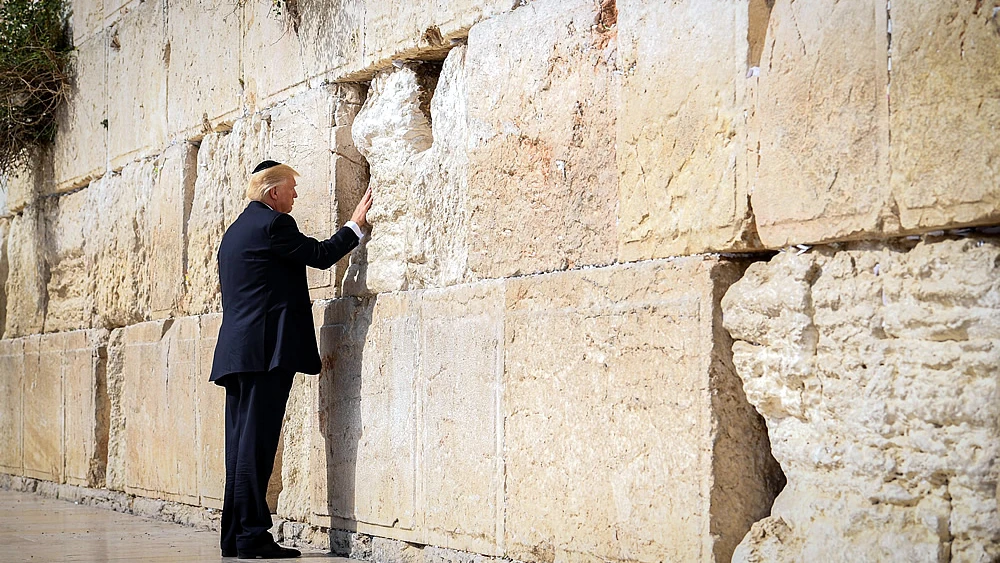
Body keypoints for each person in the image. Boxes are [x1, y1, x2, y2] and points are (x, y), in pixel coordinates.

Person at [209, 160, 372, 559]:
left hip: (237, 353)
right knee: (256, 446)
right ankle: (250, 537)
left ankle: (234, 535)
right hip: (265, 353)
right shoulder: (273, 226)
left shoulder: (234, 233)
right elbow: (319, 256)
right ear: (272, 193)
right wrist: (354, 225)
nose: (296, 196)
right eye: (291, 189)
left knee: (241, 446)